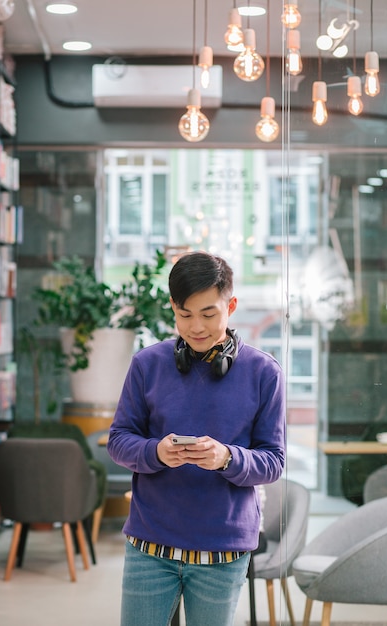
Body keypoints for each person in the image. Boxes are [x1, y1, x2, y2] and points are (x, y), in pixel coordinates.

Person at [107, 251, 286, 626]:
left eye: (209, 314)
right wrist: (155, 451)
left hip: (222, 550)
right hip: (149, 545)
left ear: (231, 305)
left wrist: (227, 458)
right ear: (173, 307)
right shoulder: (146, 365)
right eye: (185, 314)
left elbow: (273, 461)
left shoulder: (263, 372)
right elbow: (119, 440)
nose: (196, 327)